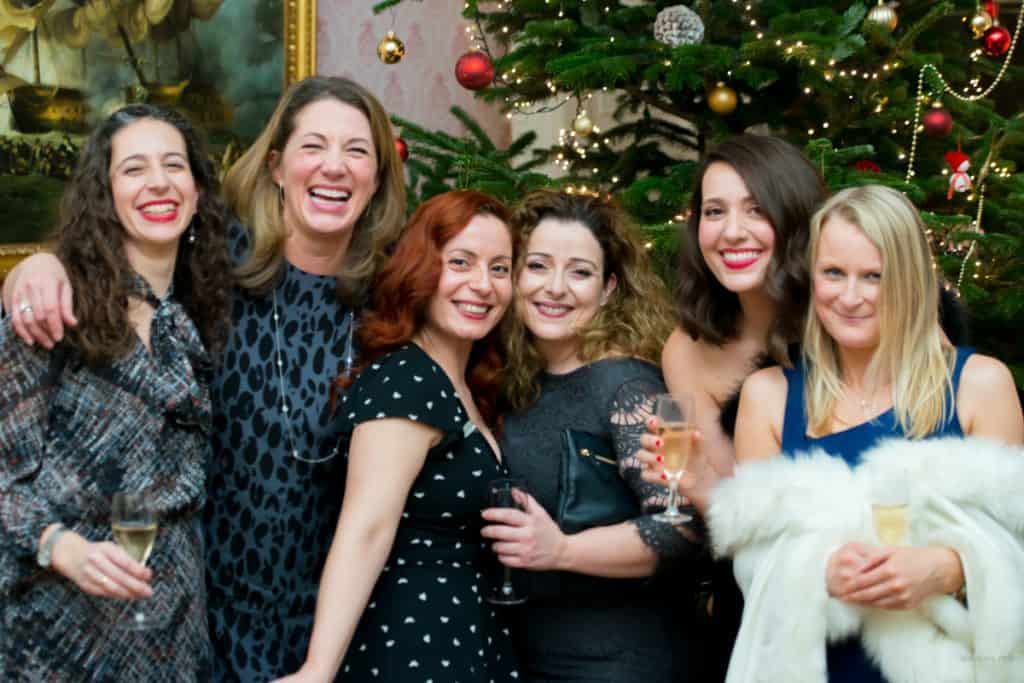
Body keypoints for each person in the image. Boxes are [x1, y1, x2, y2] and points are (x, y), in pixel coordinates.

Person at [0, 76, 407, 681]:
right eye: (314, 146)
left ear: (379, 177)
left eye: (356, 151)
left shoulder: (392, 301)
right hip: (134, 620)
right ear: (275, 165)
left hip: (306, 624)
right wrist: (38, 266)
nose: (335, 167)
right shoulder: (218, 272)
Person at [715, 184, 1024, 682]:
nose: (851, 297)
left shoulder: (980, 385)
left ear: (909, 283)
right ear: (811, 276)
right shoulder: (767, 396)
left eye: (874, 277)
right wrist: (819, 572)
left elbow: (1017, 546)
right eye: (833, 273)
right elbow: (753, 564)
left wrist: (948, 569)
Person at [0, 104, 232, 680]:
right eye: (133, 169)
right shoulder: (55, 311)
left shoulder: (199, 314)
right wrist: (61, 546)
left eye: (174, 165)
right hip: (58, 631)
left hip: (173, 627)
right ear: (104, 195)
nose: (158, 181)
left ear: (198, 192)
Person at [274, 190, 520, 682]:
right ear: (420, 269)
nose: (482, 284)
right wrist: (317, 670)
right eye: (461, 262)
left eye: (499, 268)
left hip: (466, 639)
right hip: (413, 646)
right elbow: (365, 528)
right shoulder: (407, 380)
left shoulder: (466, 384)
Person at [480, 190, 705, 681]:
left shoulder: (636, 385)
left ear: (608, 289)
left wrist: (563, 550)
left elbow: (685, 528)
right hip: (532, 654)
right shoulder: (518, 379)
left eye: (579, 272)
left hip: (623, 662)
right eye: (537, 266)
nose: (554, 288)